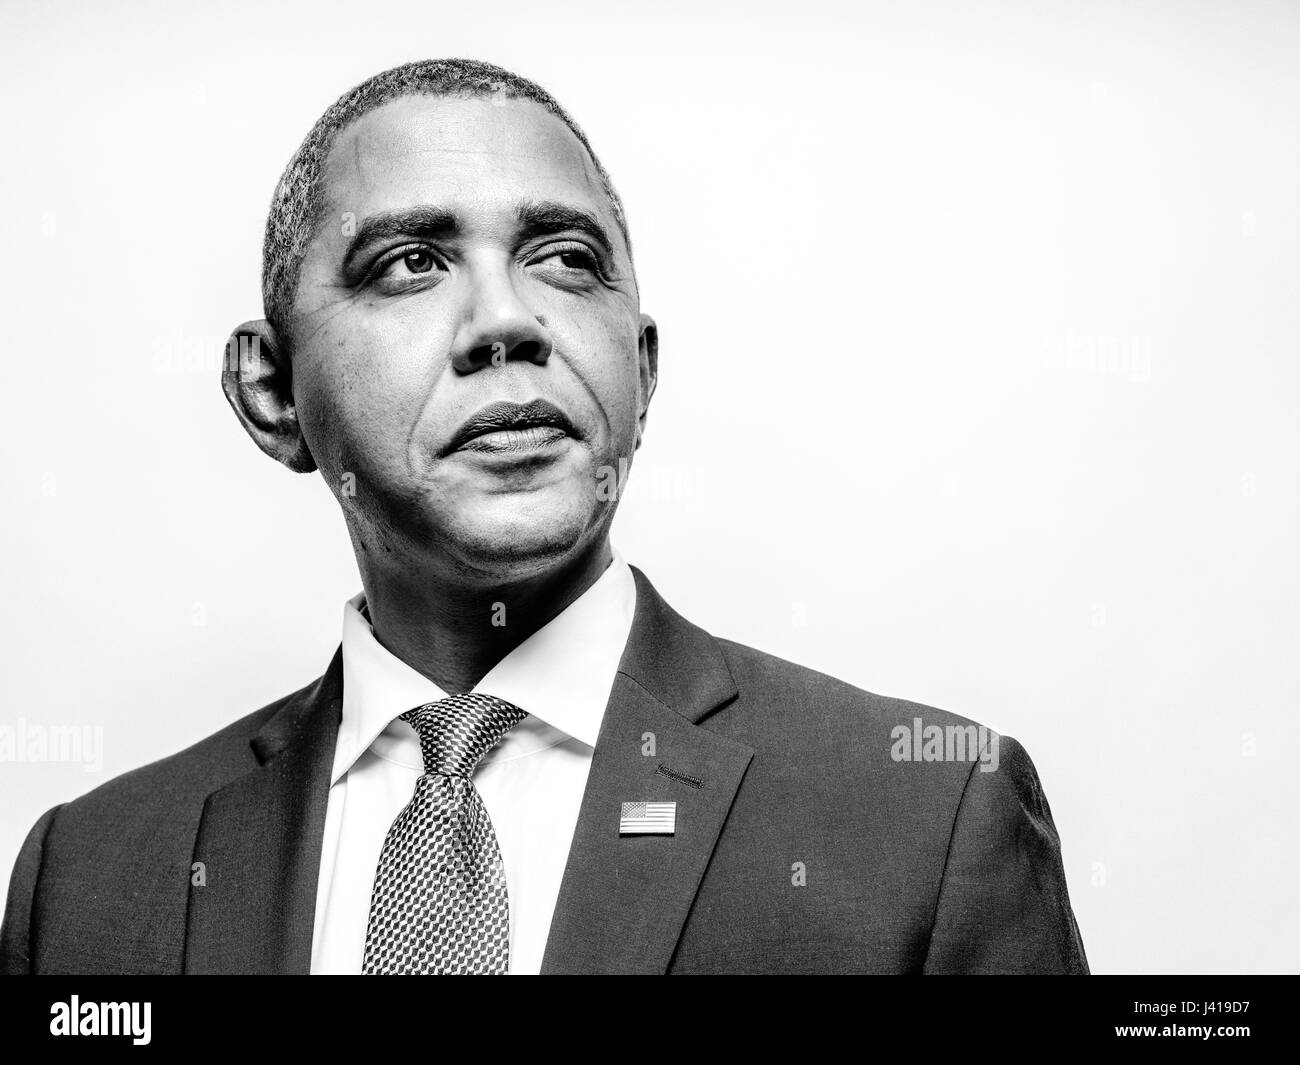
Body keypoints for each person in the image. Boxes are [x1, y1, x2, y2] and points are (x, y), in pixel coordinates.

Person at [0, 58, 1088, 975]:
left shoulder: (928, 818)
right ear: (273, 395)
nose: (509, 319)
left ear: (642, 368)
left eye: (565, 261)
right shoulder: (88, 882)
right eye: (410, 263)